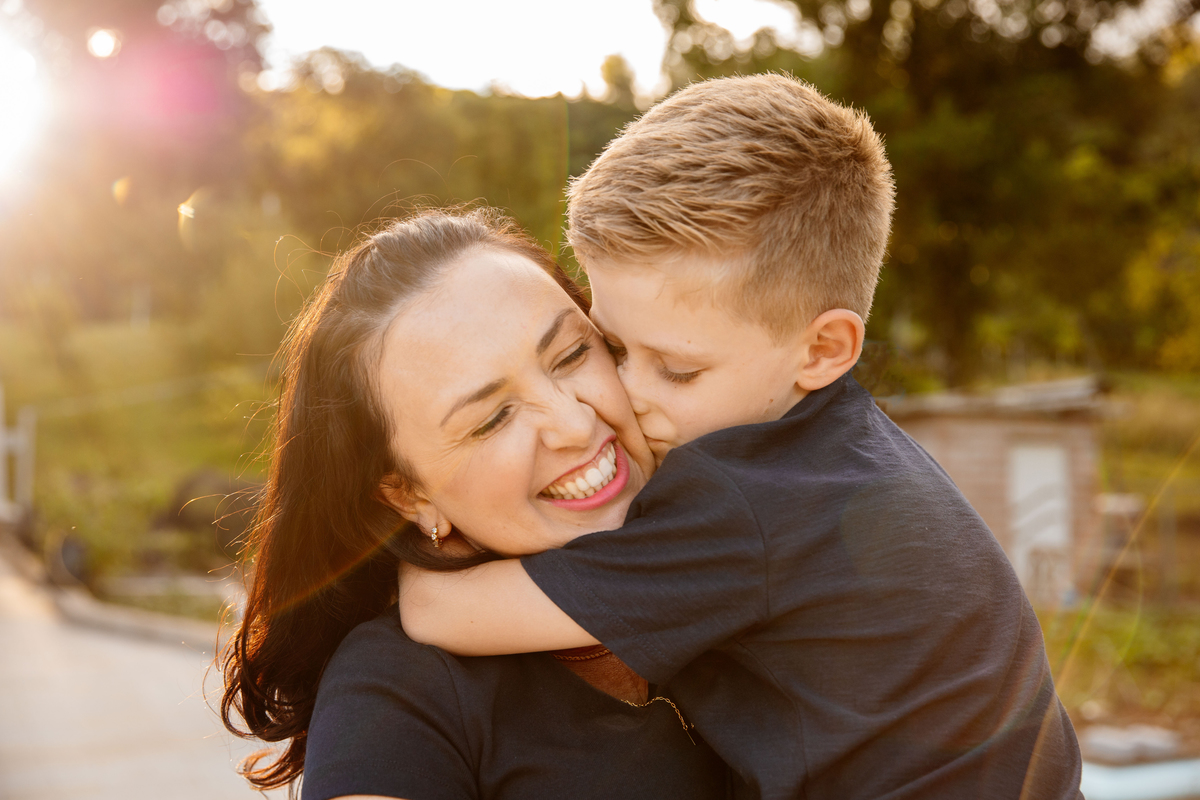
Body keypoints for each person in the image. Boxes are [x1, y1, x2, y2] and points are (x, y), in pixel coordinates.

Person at [399, 74, 1084, 799]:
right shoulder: (843, 449)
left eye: (678, 370)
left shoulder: (743, 500)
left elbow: (441, 613)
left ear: (823, 349)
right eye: (614, 348)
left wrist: (413, 520)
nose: (625, 396)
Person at [220, 209, 730, 799]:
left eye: (570, 356)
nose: (572, 422)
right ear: (409, 495)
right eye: (491, 419)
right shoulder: (401, 688)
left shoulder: (783, 516)